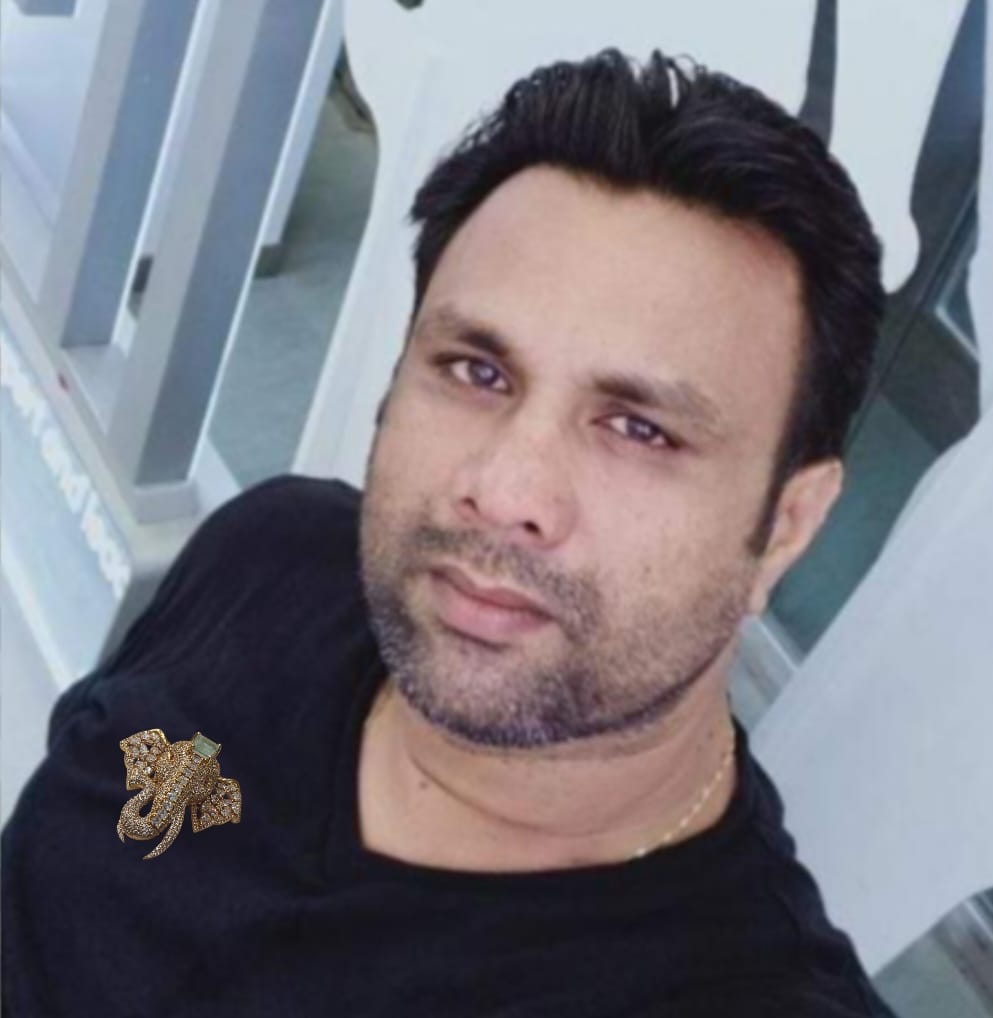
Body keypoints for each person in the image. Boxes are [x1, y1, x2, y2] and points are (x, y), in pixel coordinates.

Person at [2, 49, 894, 1017]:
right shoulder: (271, 554)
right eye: (478, 371)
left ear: (785, 529)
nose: (505, 491)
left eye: (640, 429)